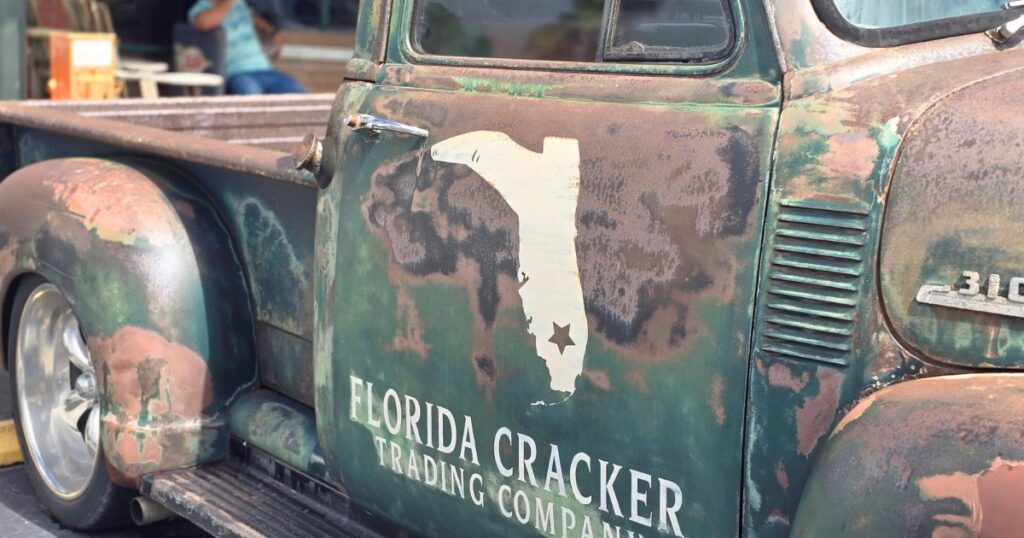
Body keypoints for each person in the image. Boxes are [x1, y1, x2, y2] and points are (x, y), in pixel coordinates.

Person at [188, 0, 306, 95]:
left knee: (300, 96)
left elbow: (251, 16)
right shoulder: (201, 8)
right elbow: (203, 23)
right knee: (252, 104)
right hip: (238, 74)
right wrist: (229, 2)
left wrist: (273, 32)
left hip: (265, 69)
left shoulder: (239, 4)